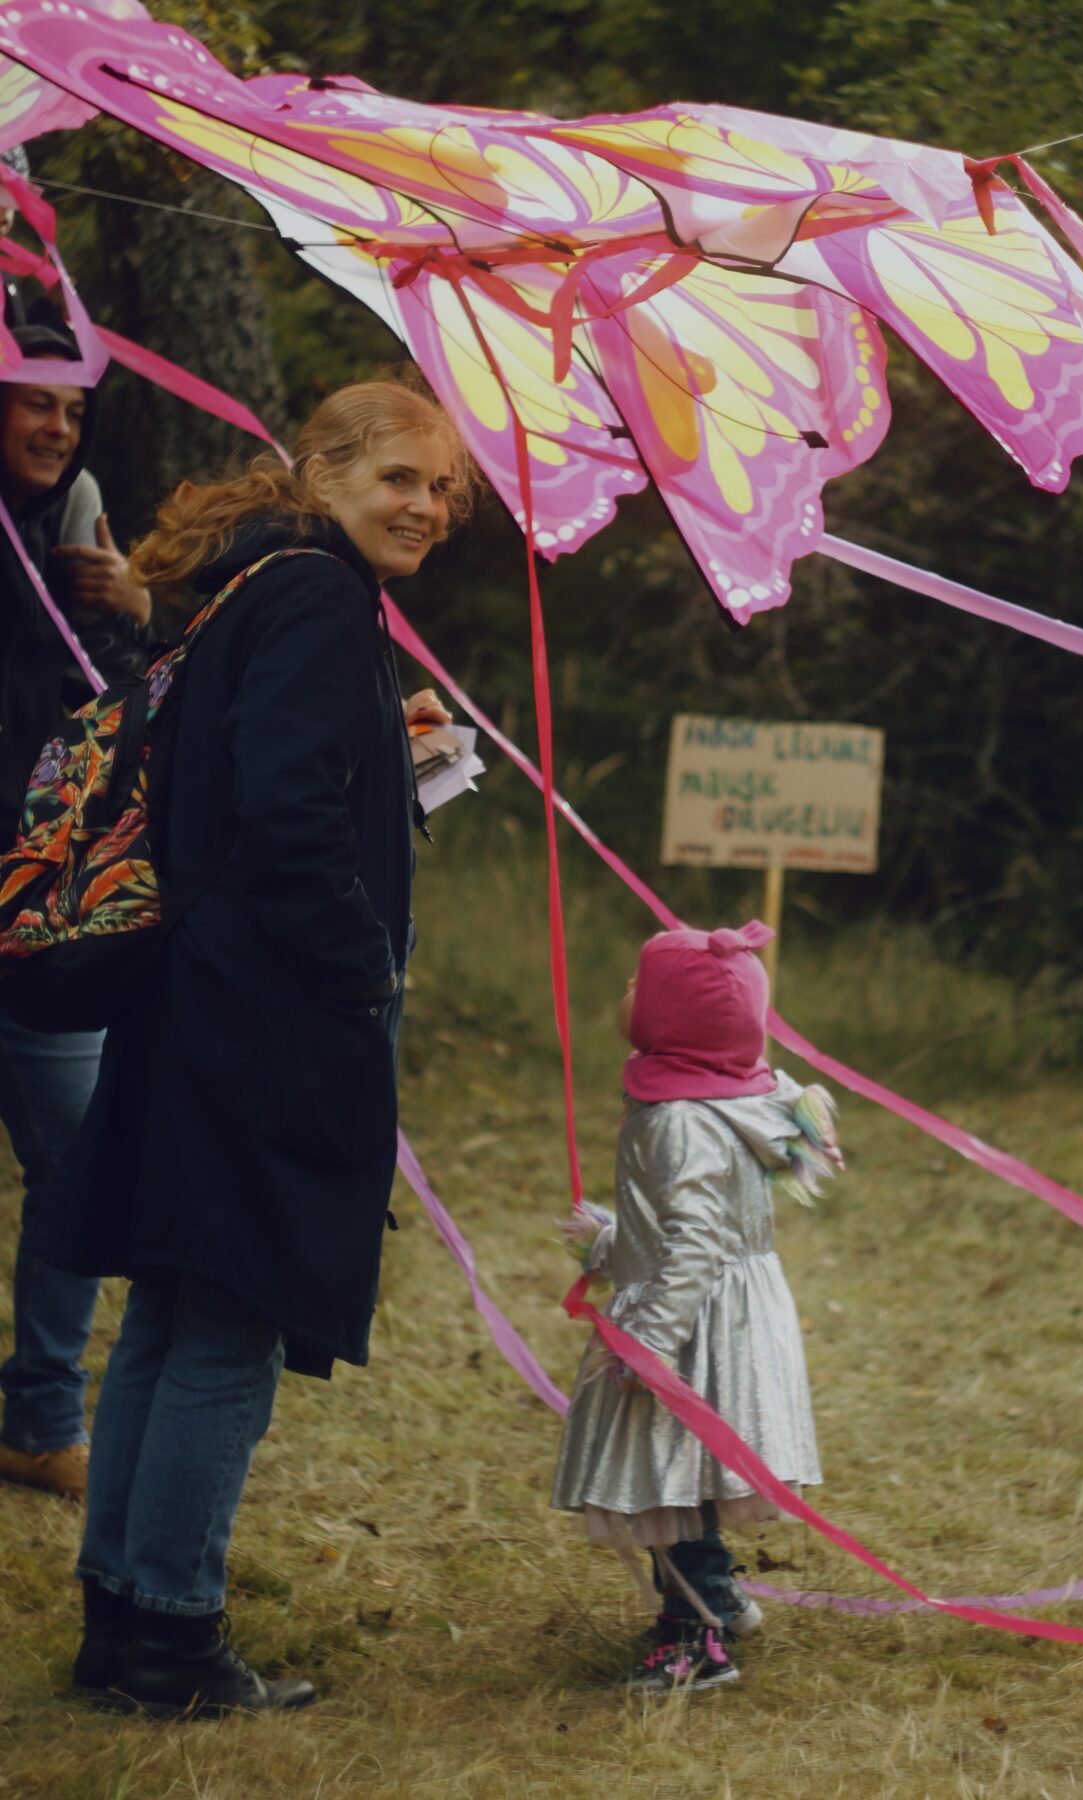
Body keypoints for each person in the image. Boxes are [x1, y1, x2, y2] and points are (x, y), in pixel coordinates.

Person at [22, 377, 470, 1717]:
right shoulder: (319, 599)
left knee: (172, 1305)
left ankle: (121, 1618)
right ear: (321, 470)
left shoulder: (251, 589)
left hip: (199, 1002)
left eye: (442, 490)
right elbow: (283, 808)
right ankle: (170, 1633)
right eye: (398, 477)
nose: (426, 507)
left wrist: (383, 757)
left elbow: (263, 769)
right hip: (267, 1016)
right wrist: (360, 967)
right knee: (229, 1320)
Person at [550, 920, 843, 1694]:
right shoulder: (725, 1101)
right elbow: (691, 1226)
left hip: (690, 1322)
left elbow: (694, 1244)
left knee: (659, 1472)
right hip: (721, 1311)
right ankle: (714, 1595)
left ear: (669, 1020)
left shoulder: (680, 1121)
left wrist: (644, 1343)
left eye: (638, 987)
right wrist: (615, 1244)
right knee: (683, 1470)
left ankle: (696, 1636)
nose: (625, 995)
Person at [0, 314, 153, 1503]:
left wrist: (128, 606)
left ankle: (42, 1417)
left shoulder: (73, 522)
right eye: (31, 400)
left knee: (78, 1158)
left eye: (72, 407)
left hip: (32, 917)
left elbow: (109, 713)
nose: (56, 426)